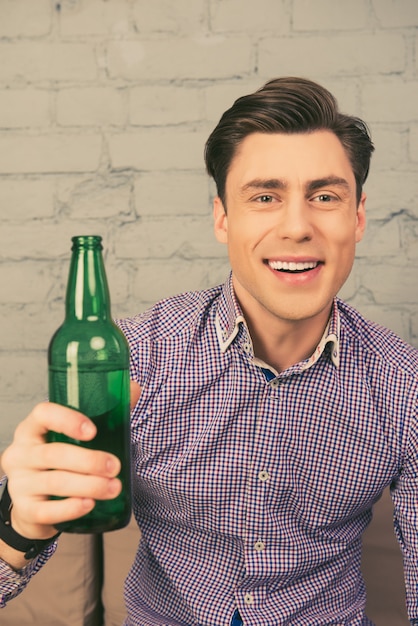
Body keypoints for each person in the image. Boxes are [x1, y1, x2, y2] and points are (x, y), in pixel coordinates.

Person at [0, 76, 417, 626]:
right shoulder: (136, 358)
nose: (296, 226)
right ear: (222, 217)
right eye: (265, 197)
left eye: (324, 196)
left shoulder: (403, 383)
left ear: (357, 217)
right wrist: (17, 526)